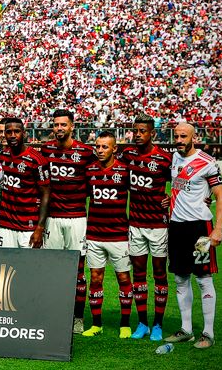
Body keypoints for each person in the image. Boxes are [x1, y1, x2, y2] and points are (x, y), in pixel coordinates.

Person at [164, 123, 222, 349]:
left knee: (203, 278)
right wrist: (170, 198)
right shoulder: (174, 158)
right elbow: (180, 185)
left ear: (194, 138)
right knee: (180, 278)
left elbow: (220, 197)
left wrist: (217, 229)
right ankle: (186, 329)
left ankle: (208, 333)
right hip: (177, 227)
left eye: (183, 136)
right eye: (177, 136)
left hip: (200, 228)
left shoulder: (207, 162)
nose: (179, 140)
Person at [40, 109, 95, 335]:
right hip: (52, 218)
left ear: (72, 126)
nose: (59, 128)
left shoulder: (86, 151)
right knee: (51, 268)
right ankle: (53, 314)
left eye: (63, 124)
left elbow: (97, 180)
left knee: (78, 271)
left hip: (76, 218)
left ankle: (78, 318)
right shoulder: (46, 149)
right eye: (56, 125)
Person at [120, 114, 172, 341]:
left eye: (143, 131)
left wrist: (172, 197)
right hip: (136, 224)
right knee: (138, 274)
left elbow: (180, 182)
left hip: (158, 225)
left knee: (159, 274)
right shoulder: (127, 154)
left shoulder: (163, 158)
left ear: (153, 133)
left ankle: (158, 324)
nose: (138, 135)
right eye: (136, 131)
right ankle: (142, 323)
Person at [82, 131, 133, 338]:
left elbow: (139, 194)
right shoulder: (89, 170)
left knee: (123, 278)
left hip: (119, 235)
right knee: (95, 279)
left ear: (115, 149)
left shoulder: (124, 170)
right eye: (98, 146)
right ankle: (96, 324)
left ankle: (125, 324)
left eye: (105, 147)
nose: (100, 150)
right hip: (94, 234)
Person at [0, 118, 50, 248]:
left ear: (24, 133)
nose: (13, 135)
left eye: (17, 131)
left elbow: (46, 194)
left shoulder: (37, 160)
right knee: (5, 265)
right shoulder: (3, 156)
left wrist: (40, 227)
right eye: (9, 132)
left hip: (28, 226)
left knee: (29, 267)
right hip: (5, 225)